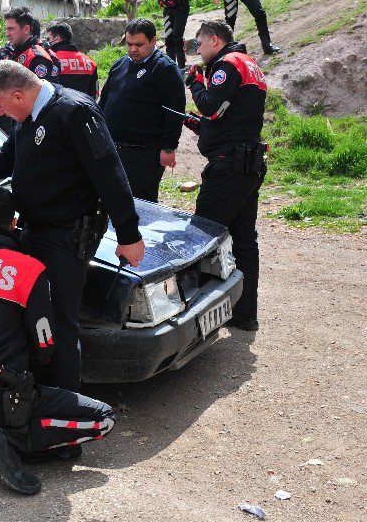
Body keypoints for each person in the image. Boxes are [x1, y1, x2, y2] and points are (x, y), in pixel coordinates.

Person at [0, 60, 145, 392]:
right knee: (37, 315)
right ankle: (39, 395)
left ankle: (67, 414)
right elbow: (6, 157)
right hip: (37, 230)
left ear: (19, 95)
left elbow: (110, 174)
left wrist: (129, 234)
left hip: (67, 235)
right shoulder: (29, 117)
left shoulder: (74, 112)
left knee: (60, 322)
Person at [0, 185, 116, 495]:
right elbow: (45, 347)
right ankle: (6, 440)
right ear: (14, 224)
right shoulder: (30, 271)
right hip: (1, 402)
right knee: (104, 418)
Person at [184, 20, 267, 332]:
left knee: (201, 235)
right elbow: (233, 116)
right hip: (248, 162)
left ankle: (195, 320)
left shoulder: (227, 64)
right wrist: (202, 126)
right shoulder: (249, 64)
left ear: (214, 41)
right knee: (244, 239)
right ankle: (245, 314)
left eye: (200, 45)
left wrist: (194, 82)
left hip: (230, 165)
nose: (199, 52)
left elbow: (211, 106)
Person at [99, 18, 186, 202]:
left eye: (139, 44)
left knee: (140, 206)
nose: (132, 49)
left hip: (144, 154)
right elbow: (105, 100)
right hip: (113, 148)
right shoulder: (120, 64)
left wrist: (169, 148)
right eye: (129, 44)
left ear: (153, 41)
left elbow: (174, 112)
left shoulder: (164, 68)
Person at [2, 8, 60, 82]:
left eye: (11, 29)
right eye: (6, 29)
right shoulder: (15, 51)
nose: (7, 34)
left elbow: (38, 92)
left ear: (26, 29)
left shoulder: (36, 57)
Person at [44, 21, 98, 98]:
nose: (47, 43)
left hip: (57, 108)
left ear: (57, 39)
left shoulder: (49, 60)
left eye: (48, 39)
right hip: (84, 107)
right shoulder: (90, 62)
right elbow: (95, 95)